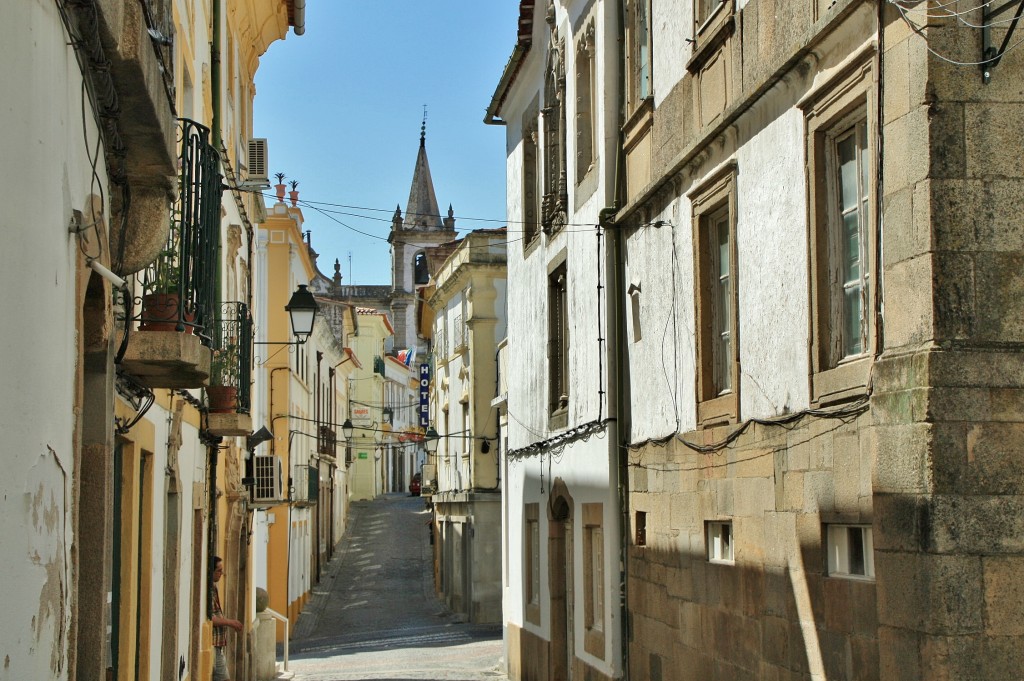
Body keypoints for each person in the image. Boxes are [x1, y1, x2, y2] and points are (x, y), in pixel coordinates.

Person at [210, 556, 243, 681]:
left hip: (217, 644)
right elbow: (210, 618)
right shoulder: (208, 590)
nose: (221, 573)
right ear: (210, 571)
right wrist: (230, 622)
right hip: (213, 643)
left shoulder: (214, 588)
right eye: (218, 570)